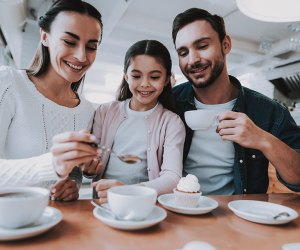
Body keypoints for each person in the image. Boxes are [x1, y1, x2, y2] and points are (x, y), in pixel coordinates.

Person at [171, 8, 300, 195]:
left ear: (226, 45)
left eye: (202, 46)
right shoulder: (169, 102)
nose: (193, 60)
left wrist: (263, 139)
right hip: (176, 213)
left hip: (237, 218)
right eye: (183, 52)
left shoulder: (268, 111)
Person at [52, 40, 186, 204]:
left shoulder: (172, 122)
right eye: (136, 76)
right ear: (126, 76)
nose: (144, 84)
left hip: (145, 206)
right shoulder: (105, 111)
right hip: (102, 204)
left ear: (166, 79)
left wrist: (129, 192)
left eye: (155, 77)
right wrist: (88, 167)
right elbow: (92, 168)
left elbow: (172, 178)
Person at [0, 0, 103, 201]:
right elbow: (55, 166)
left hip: (57, 223)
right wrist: (52, 165)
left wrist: (73, 184)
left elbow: (73, 173)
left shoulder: (87, 111)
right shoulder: (9, 84)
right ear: (45, 36)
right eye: (70, 42)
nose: (81, 56)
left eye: (91, 46)